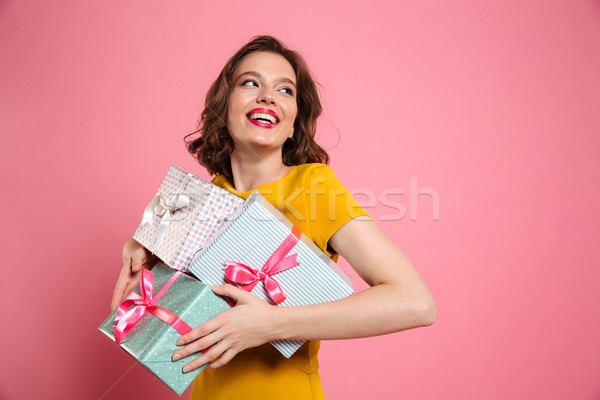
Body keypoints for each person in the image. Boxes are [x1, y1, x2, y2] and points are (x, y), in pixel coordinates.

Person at [111, 35, 436, 399]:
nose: (267, 96)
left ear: (295, 118)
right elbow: (165, 322)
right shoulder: (202, 199)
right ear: (224, 105)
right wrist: (145, 241)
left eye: (285, 90)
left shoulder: (314, 186)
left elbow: (415, 302)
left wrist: (270, 324)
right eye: (250, 83)